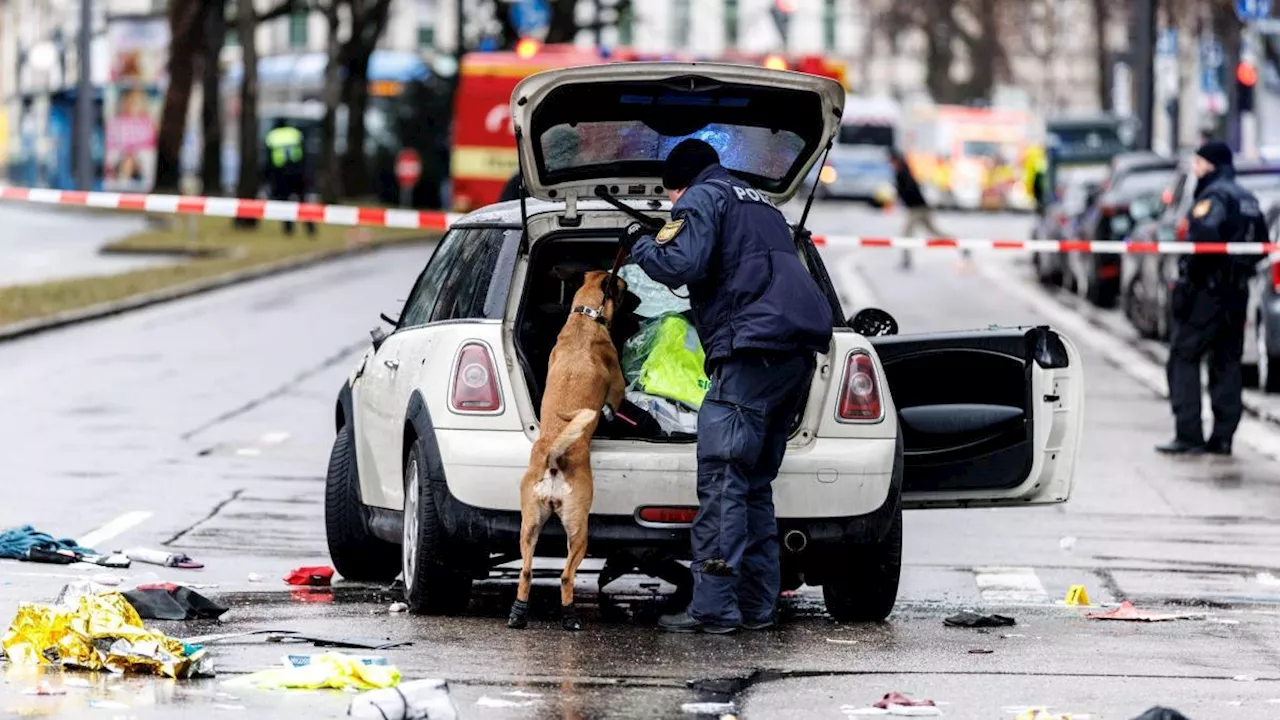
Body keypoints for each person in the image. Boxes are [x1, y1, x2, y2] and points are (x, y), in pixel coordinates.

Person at [620, 139, 834, 634]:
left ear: (679, 184)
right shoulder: (761, 203)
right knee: (754, 485)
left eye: (671, 197)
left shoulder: (699, 198)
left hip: (749, 353)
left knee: (721, 481)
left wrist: (642, 242)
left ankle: (714, 610)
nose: (674, 205)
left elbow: (680, 265)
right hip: (792, 357)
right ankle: (757, 608)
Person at [1157, 141, 1268, 456]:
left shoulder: (1214, 197)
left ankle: (1188, 435)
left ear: (1212, 164)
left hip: (1207, 293)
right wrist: (1238, 271)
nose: (1196, 168)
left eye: (1200, 162)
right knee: (1227, 363)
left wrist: (1191, 278)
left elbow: (1205, 237)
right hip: (1236, 294)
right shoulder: (1247, 198)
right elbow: (1260, 244)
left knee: (1184, 356)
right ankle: (1223, 437)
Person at [890, 149, 947, 269]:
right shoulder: (904, 170)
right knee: (934, 231)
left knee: (906, 234)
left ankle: (906, 260)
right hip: (920, 207)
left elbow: (907, 190)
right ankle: (959, 244)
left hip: (916, 209)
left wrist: (899, 198)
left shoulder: (902, 172)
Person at [264, 119, 316, 237]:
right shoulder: (295, 133)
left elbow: (268, 158)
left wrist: (267, 177)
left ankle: (288, 229)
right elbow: (305, 154)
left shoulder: (272, 136)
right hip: (298, 172)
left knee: (284, 203)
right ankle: (310, 228)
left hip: (281, 174)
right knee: (303, 201)